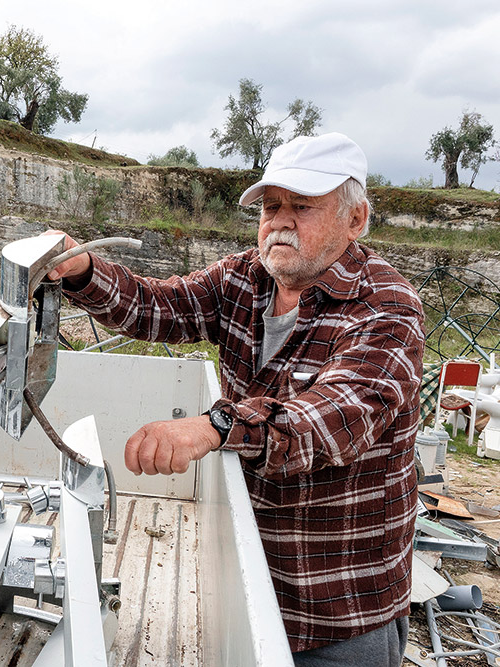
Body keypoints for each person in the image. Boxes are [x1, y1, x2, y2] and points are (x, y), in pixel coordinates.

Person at [47, 133, 424, 666]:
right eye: (271, 207)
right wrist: (84, 270)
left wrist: (213, 427)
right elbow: (161, 306)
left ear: (355, 220)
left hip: (334, 609)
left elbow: (329, 420)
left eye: (303, 207)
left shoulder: (386, 308)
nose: (280, 222)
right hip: (249, 573)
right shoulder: (247, 277)